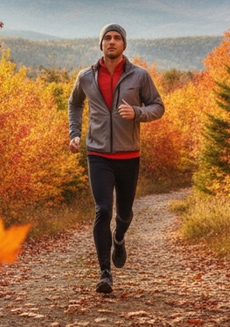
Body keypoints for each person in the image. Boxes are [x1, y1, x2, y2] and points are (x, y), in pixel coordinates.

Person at [68, 23, 165, 294]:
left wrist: (137, 112)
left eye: (117, 38)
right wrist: (75, 133)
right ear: (101, 44)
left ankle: (119, 237)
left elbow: (158, 106)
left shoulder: (139, 76)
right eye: (107, 38)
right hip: (97, 153)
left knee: (123, 213)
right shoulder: (86, 76)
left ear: (124, 45)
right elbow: (74, 103)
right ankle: (104, 273)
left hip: (129, 154)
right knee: (103, 210)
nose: (112, 42)